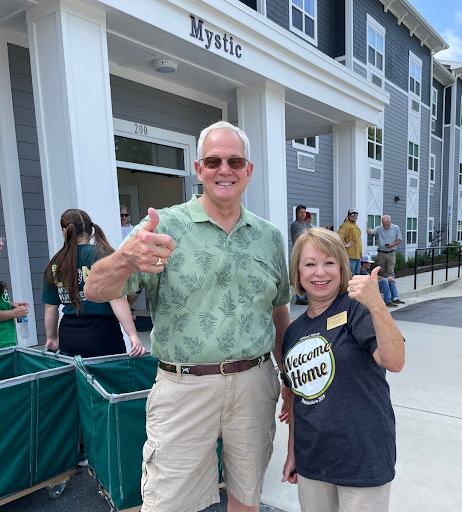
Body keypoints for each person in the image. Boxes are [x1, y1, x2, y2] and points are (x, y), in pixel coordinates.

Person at [84, 121, 292, 512]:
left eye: (235, 161)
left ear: (249, 170)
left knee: (246, 499)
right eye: (213, 161)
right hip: (183, 388)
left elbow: (278, 311)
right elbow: (95, 289)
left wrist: (289, 379)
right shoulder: (163, 226)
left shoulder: (269, 236)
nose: (224, 169)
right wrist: (126, 259)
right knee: (169, 504)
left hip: (255, 384)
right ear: (199, 169)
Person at [281, 227, 405, 512]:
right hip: (313, 462)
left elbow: (395, 360)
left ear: (341, 266)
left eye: (329, 263)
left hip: (363, 458)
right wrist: (293, 454)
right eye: (310, 264)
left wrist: (377, 305)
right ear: (298, 272)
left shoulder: (356, 309)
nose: (319, 272)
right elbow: (298, 400)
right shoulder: (294, 332)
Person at [42, 209, 145, 359]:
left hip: (69, 335)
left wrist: (51, 338)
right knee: (108, 380)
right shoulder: (103, 255)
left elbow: (50, 306)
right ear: (91, 230)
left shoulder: (56, 263)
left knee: (78, 381)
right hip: (103, 334)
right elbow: (117, 298)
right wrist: (132, 335)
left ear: (64, 231)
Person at [0, 236, 30, 348]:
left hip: (7, 341)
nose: (1, 244)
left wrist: (10, 305)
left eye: (1, 239)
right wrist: (14, 313)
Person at [291, 206, 309, 305]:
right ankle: (300, 298)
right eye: (301, 212)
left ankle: (305, 296)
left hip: (305, 254)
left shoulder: (305, 224)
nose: (303, 214)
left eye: (304, 212)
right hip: (299, 254)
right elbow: (307, 235)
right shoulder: (295, 225)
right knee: (299, 277)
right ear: (296, 214)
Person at [338, 207, 362, 276]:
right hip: (350, 256)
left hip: (357, 256)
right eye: (352, 214)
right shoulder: (346, 225)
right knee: (350, 276)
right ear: (348, 216)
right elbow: (339, 236)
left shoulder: (354, 225)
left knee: (356, 277)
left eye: (356, 214)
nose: (354, 216)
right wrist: (345, 244)